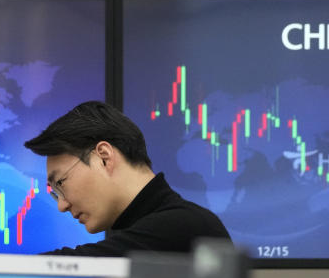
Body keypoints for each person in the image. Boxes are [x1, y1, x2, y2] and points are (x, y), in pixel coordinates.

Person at [24, 100, 231, 256]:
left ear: (103, 157)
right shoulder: (136, 230)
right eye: (55, 193)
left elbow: (63, 269)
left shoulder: (185, 227)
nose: (61, 205)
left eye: (60, 183)